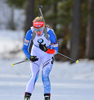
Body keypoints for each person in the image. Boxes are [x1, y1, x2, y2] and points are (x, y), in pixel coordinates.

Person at [23, 16, 58, 100]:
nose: (38, 32)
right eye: (36, 30)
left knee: (45, 74)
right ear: (33, 28)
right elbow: (24, 48)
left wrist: (47, 50)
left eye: (40, 29)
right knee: (34, 74)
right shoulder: (30, 33)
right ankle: (27, 96)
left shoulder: (50, 33)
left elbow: (55, 51)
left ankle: (47, 97)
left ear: (44, 27)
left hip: (47, 53)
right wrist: (29, 56)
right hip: (36, 51)